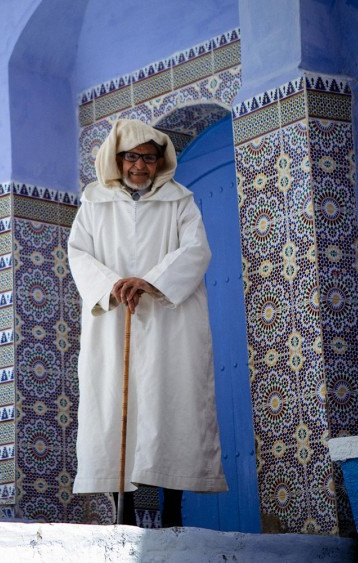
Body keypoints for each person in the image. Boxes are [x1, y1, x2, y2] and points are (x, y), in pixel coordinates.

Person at [68, 119, 227, 527]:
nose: (141, 166)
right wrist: (113, 284)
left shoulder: (180, 201)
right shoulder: (94, 203)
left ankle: (172, 509)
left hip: (169, 320)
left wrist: (151, 282)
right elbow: (79, 253)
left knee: (170, 402)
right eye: (133, 157)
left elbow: (197, 249)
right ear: (116, 159)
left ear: (161, 161)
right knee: (114, 405)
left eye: (150, 158)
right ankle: (123, 511)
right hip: (113, 318)